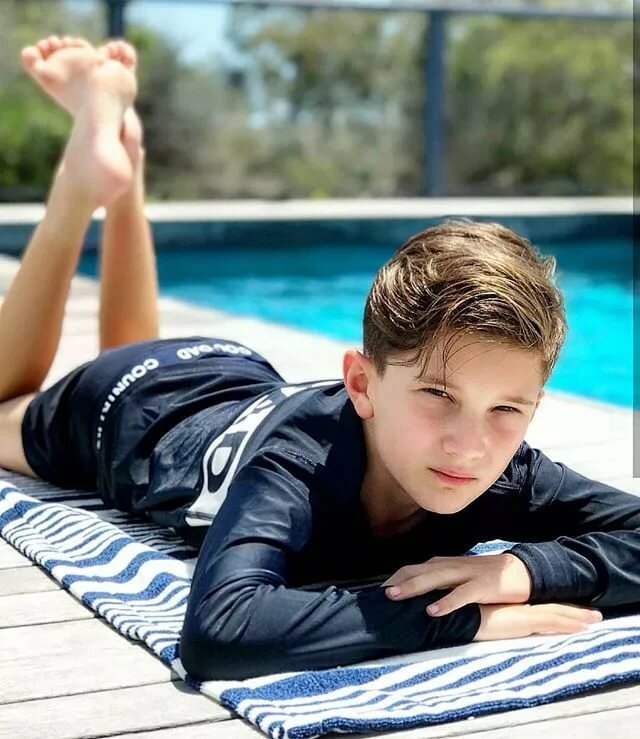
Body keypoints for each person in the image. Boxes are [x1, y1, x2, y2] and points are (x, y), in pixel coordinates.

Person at [0, 36, 638, 681]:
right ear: (361, 382)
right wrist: (458, 618)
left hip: (235, 378)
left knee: (129, 342)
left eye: (506, 409)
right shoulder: (299, 465)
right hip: (126, 405)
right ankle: (78, 190)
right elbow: (221, 631)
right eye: (438, 394)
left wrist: (523, 569)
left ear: (534, 406)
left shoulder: (506, 473)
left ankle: (125, 163)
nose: (469, 446)